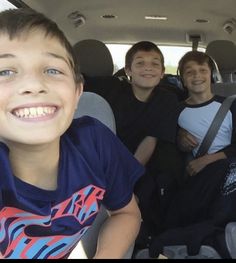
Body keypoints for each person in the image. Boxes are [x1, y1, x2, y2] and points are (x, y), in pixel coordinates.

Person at [0, 8, 145, 259]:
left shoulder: (93, 143)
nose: (34, 85)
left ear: (78, 92)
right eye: (5, 71)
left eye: (52, 70)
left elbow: (126, 213)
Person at [82, 41, 185, 249]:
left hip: (137, 167)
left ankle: (144, 241)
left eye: (155, 64)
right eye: (140, 63)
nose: (148, 68)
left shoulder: (166, 99)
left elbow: (150, 141)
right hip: (100, 163)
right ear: (128, 70)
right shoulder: (109, 87)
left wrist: (124, 184)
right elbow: (73, 80)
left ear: (163, 72)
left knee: (150, 189)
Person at [149, 50, 236, 258]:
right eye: (190, 72)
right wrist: (179, 138)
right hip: (198, 181)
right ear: (183, 80)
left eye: (202, 70)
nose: (197, 76)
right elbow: (165, 150)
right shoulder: (176, 111)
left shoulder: (232, 105)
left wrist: (209, 159)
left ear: (211, 75)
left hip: (225, 168)